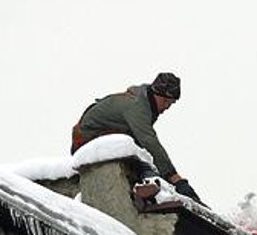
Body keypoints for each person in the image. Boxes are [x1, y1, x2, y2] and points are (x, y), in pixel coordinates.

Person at [71, 72, 203, 204]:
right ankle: (151, 188)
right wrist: (173, 176)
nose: (167, 106)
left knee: (143, 156)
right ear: (156, 94)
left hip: (103, 138)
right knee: (142, 161)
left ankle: (154, 186)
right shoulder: (138, 106)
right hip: (87, 141)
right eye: (165, 100)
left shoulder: (144, 103)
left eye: (171, 103)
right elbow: (149, 141)